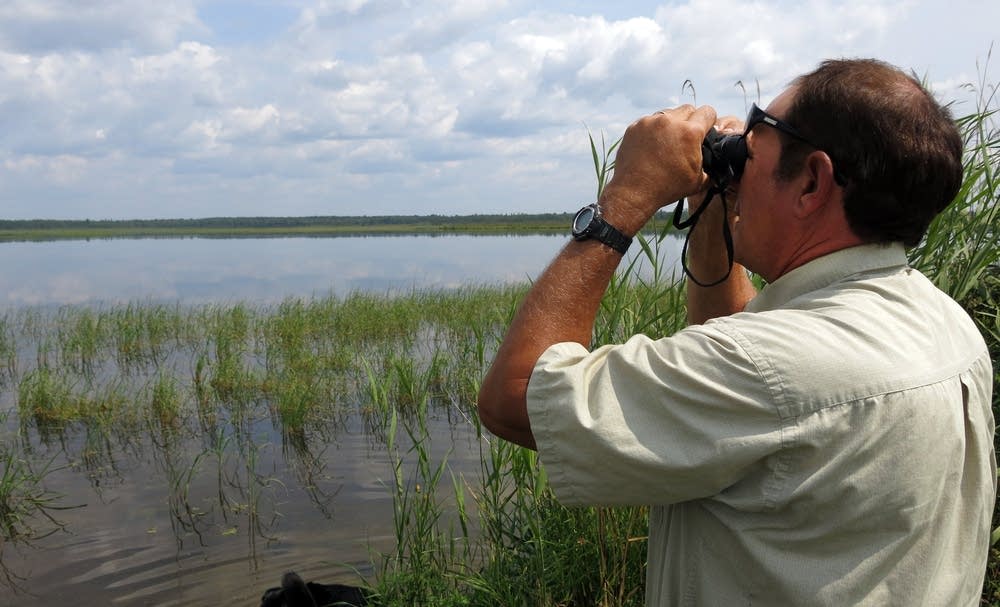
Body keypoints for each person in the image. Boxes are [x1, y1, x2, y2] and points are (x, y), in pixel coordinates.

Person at [477, 58, 996, 605]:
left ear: (812, 181)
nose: (737, 156)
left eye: (753, 139)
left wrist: (624, 200)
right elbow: (740, 368)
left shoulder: (771, 367)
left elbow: (514, 398)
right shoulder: (944, 322)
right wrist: (714, 206)